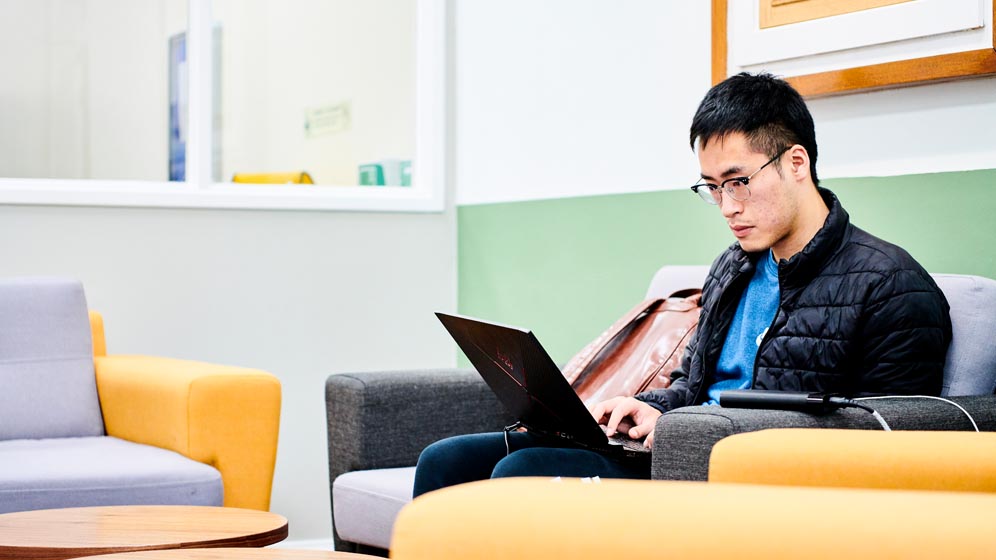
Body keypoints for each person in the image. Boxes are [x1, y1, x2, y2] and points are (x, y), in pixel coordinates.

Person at [413, 72, 952, 498]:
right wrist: (651, 407)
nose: (728, 206)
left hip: (736, 475)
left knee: (523, 471)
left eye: (739, 181)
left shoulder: (891, 285)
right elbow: (697, 385)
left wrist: (691, 425)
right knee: (446, 460)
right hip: (673, 449)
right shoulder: (733, 266)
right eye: (713, 187)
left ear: (796, 163)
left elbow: (889, 439)